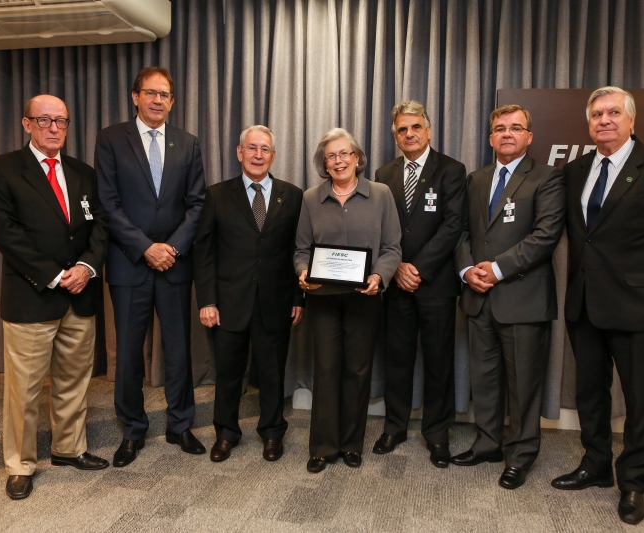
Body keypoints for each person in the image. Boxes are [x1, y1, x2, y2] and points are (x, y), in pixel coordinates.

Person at [552, 87, 644, 524]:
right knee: (590, 395)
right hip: (585, 304)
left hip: (640, 308)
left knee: (639, 401)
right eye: (597, 114)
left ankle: (633, 483)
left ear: (631, 120)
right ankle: (595, 465)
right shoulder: (577, 169)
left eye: (614, 112)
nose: (604, 120)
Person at [0, 95, 109, 500]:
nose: (54, 128)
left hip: (80, 294)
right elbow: (7, 234)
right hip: (32, 296)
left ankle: (69, 449)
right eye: (45, 120)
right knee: (25, 389)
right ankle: (20, 464)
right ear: (27, 123)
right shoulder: (1, 169)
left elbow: (99, 227)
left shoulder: (83, 173)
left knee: (73, 380)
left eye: (62, 121)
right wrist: (55, 276)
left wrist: (86, 268)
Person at [95, 66, 207, 467]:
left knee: (178, 352)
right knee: (127, 355)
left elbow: (197, 205)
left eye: (165, 95)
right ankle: (133, 430)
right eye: (151, 93)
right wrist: (146, 248)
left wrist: (171, 249)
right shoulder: (111, 139)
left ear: (172, 102)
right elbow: (108, 202)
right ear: (135, 96)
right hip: (129, 265)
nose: (158, 100)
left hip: (175, 266)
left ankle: (180, 425)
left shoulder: (188, 143)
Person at [452, 104, 565, 489]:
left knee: (523, 385)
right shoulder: (476, 179)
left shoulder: (547, 178)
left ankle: (520, 455)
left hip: (523, 298)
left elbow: (545, 236)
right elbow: (463, 232)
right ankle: (487, 444)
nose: (507, 134)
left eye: (516, 128)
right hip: (478, 296)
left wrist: (496, 269)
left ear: (529, 137)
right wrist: (468, 271)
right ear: (490, 137)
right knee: (484, 379)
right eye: (499, 128)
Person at [194, 125, 304, 462]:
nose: (258, 155)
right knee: (228, 373)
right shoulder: (217, 194)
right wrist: (208, 300)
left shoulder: (293, 195)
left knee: (272, 371)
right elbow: (204, 251)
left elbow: (298, 250)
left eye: (265, 149)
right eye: (252, 148)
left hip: (277, 300)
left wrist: (299, 298)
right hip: (229, 302)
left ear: (273, 155)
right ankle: (226, 433)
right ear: (240, 153)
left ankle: (272, 432)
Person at [295, 128, 402, 473]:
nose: (339, 160)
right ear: (324, 164)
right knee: (326, 370)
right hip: (323, 298)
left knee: (357, 371)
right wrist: (302, 271)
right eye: (331, 156)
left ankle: (351, 445)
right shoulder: (312, 198)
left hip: (364, 297)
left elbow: (391, 248)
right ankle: (323, 447)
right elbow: (301, 250)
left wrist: (379, 277)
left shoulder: (381, 194)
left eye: (345, 154)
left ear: (357, 158)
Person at [373, 100, 467, 468]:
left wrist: (418, 268)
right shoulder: (384, 174)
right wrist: (397, 268)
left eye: (415, 127)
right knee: (396, 358)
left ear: (428, 130)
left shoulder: (452, 170)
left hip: (436, 285)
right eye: (401, 129)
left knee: (439, 360)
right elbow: (380, 229)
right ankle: (395, 426)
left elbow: (453, 226)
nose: (409, 134)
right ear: (395, 136)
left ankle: (437, 433)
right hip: (396, 283)